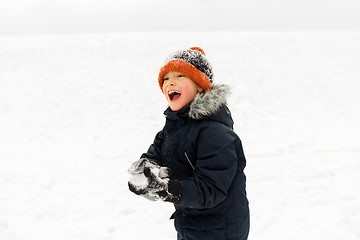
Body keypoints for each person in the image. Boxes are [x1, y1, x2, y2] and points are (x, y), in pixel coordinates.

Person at [128, 47, 250, 240]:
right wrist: (145, 173)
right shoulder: (172, 129)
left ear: (200, 86)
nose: (170, 82)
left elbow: (212, 188)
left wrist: (168, 189)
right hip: (191, 225)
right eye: (165, 79)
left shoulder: (215, 133)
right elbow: (154, 156)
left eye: (180, 75)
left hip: (221, 230)